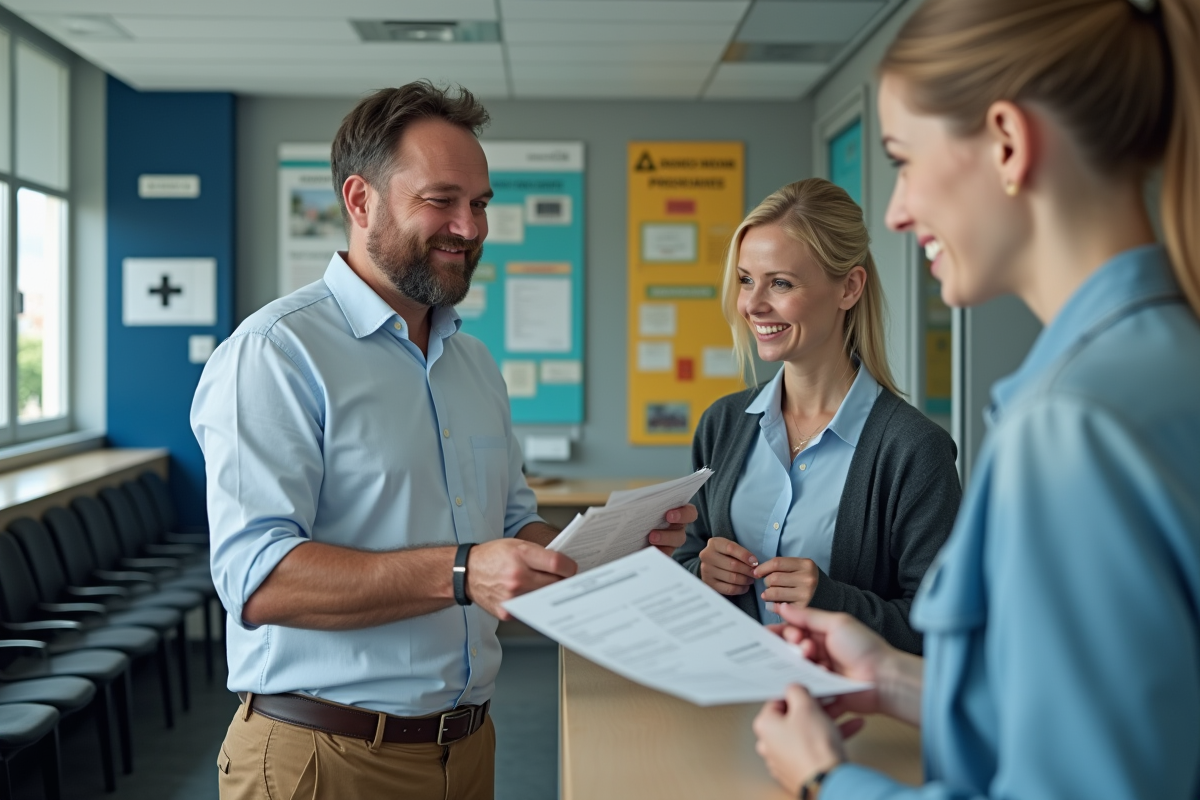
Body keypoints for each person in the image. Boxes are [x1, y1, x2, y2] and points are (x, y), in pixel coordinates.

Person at [191, 82, 694, 800]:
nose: (470, 226)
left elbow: (513, 528)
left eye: (482, 203)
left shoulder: (474, 363)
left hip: (466, 750)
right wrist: (463, 573)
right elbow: (260, 580)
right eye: (442, 200)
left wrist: (610, 554)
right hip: (325, 758)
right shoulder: (275, 353)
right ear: (360, 200)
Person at [751, 0, 1200, 797]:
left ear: (1006, 142)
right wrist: (896, 679)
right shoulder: (1164, 364)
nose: (895, 209)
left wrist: (826, 780)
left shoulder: (1072, 428)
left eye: (904, 159)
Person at [673, 178, 961, 654]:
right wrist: (701, 573)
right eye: (746, 280)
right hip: (731, 700)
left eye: (780, 283)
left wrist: (833, 601)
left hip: (853, 720)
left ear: (849, 287)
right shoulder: (721, 425)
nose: (753, 304)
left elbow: (941, 628)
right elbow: (688, 556)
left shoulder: (914, 450)